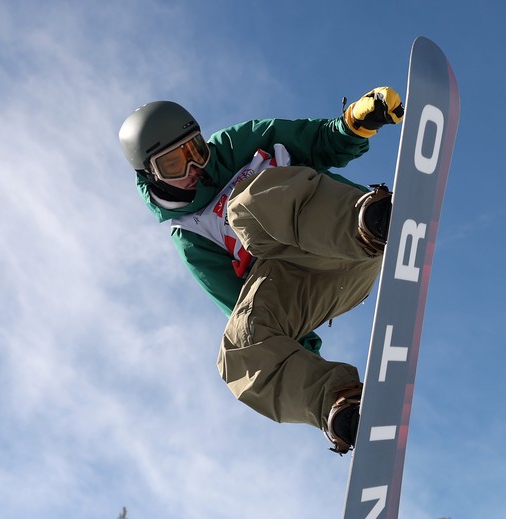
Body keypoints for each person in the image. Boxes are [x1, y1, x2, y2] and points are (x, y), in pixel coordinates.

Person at [118, 87, 404, 454]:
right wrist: (302, 358)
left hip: (347, 236)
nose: (194, 168)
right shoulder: (191, 237)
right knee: (237, 349)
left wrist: (353, 125)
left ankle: (373, 221)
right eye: (175, 164)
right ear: (151, 175)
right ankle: (338, 404)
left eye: (196, 151)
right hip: (314, 287)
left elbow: (317, 140)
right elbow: (243, 307)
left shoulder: (242, 144)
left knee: (244, 206)